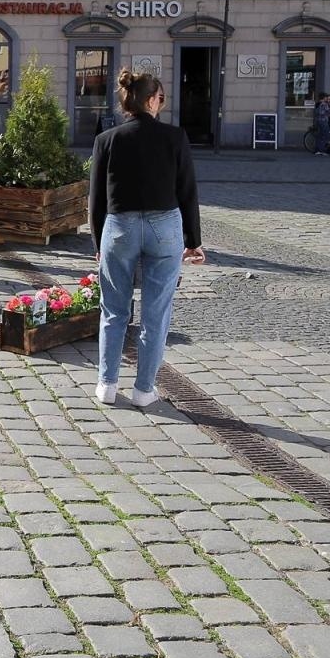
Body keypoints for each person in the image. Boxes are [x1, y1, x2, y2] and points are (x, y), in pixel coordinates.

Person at [88, 68, 205, 408]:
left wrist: (98, 244)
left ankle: (106, 385)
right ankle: (143, 390)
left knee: (113, 310)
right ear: (152, 100)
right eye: (161, 98)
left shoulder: (106, 139)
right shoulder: (175, 137)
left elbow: (95, 199)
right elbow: (187, 191)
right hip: (164, 227)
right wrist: (193, 240)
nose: (161, 103)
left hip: (119, 227)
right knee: (156, 312)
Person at [312, 92, 330, 156]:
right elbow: (325, 113)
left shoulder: (317, 103)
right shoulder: (324, 104)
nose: (327, 99)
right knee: (325, 136)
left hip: (318, 121)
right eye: (326, 97)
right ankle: (322, 150)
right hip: (323, 121)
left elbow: (316, 112)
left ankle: (317, 150)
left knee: (319, 136)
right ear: (324, 98)